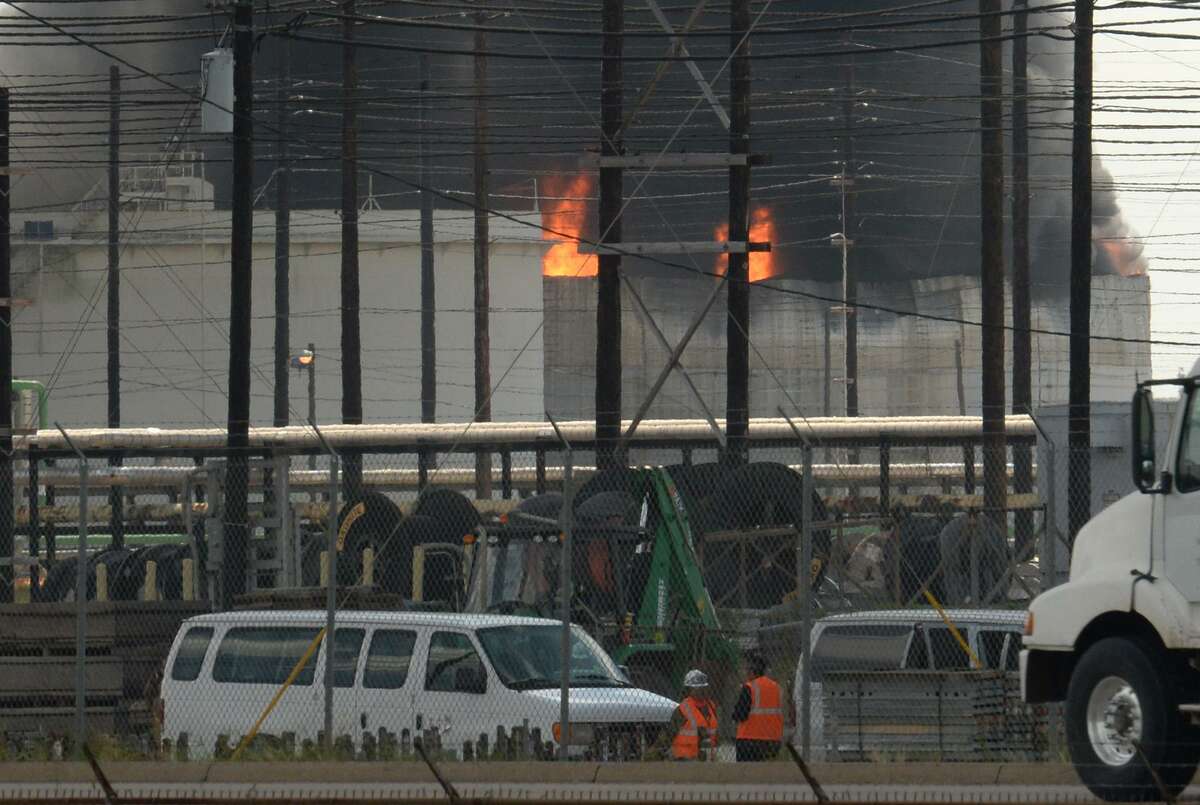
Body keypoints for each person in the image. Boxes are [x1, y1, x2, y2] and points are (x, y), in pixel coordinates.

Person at [654, 669, 718, 761]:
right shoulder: (683, 708)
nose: (700, 691)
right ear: (689, 690)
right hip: (684, 759)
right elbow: (669, 733)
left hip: (706, 759)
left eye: (702, 688)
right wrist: (656, 753)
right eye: (696, 688)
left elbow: (716, 734)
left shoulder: (711, 706)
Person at [732, 654, 783, 762]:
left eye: (746, 670)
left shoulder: (749, 687)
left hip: (749, 740)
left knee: (746, 774)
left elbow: (741, 715)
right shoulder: (776, 687)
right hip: (773, 740)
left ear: (752, 671)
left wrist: (734, 714)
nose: (745, 673)